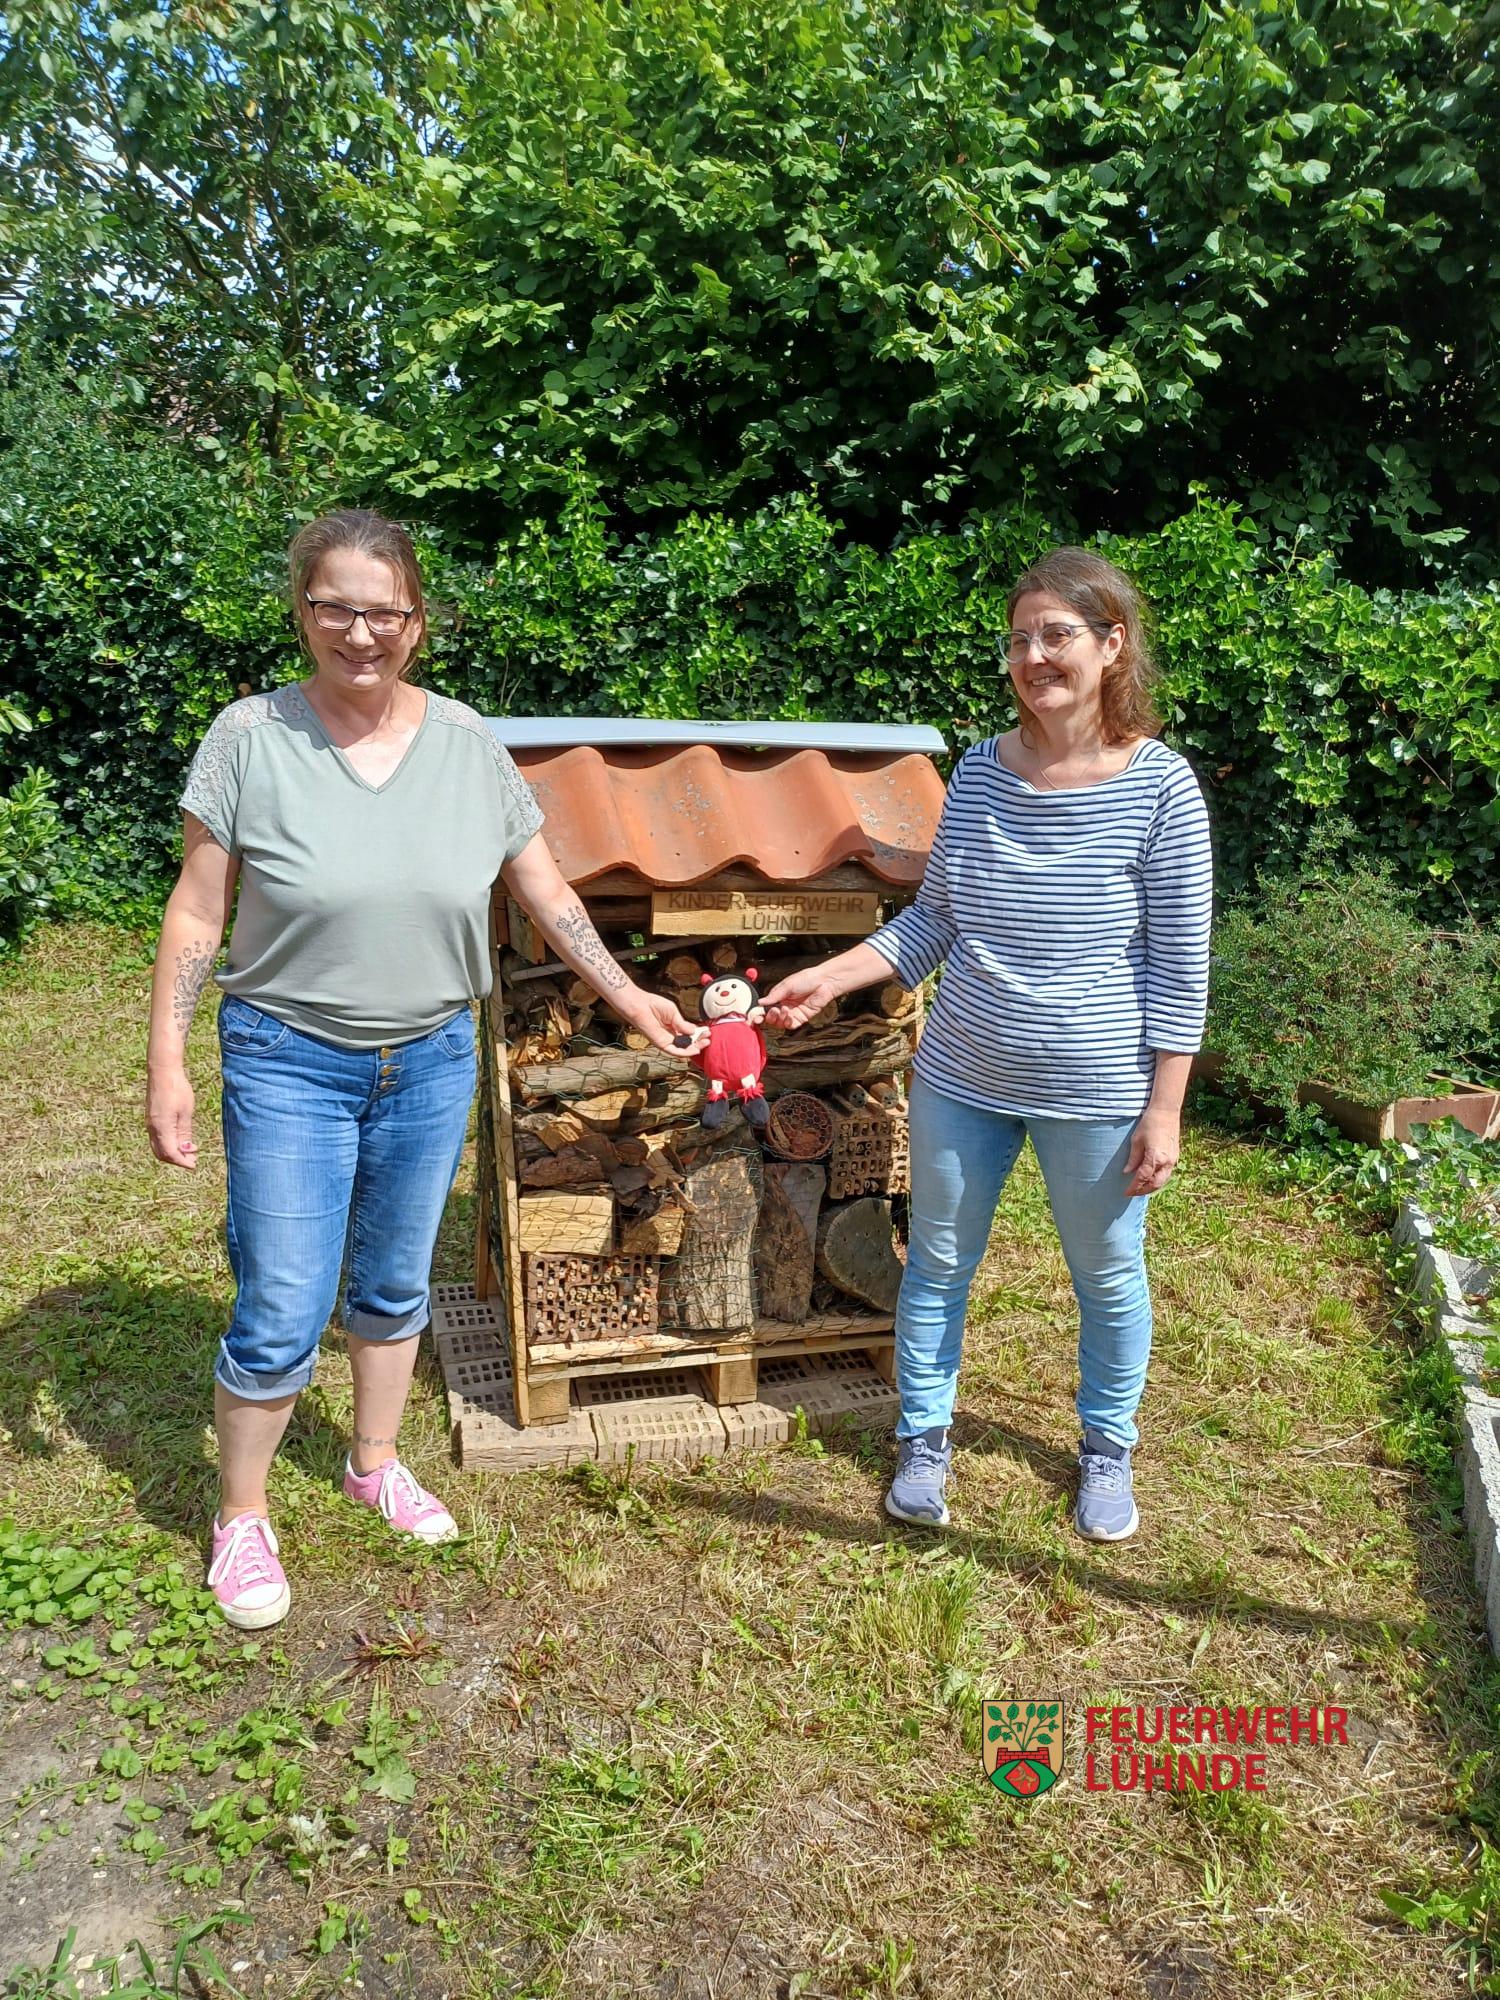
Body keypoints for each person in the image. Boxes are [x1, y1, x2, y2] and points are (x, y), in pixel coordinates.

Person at [146, 509, 697, 1629]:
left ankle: (372, 1459)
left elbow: (545, 891)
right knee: (284, 1301)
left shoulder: (466, 740)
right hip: (288, 1053)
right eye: (335, 607)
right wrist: (167, 1055)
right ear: (303, 610)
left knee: (394, 1279)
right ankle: (242, 1516)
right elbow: (199, 906)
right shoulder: (249, 735)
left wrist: (631, 994)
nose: (361, 631)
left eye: (384, 610)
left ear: (418, 620)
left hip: (435, 1052)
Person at [763, 548, 1212, 1542]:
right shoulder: (978, 771)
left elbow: (1183, 971)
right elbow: (936, 921)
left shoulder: (1163, 789)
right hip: (962, 1071)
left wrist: (1165, 1106)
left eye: (1058, 634)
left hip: (1096, 1087)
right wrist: (832, 975)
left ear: (1111, 644)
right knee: (938, 1261)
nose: (1035, 655)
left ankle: (1106, 1448)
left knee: (1105, 1270)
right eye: (1021, 638)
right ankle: (923, 1436)